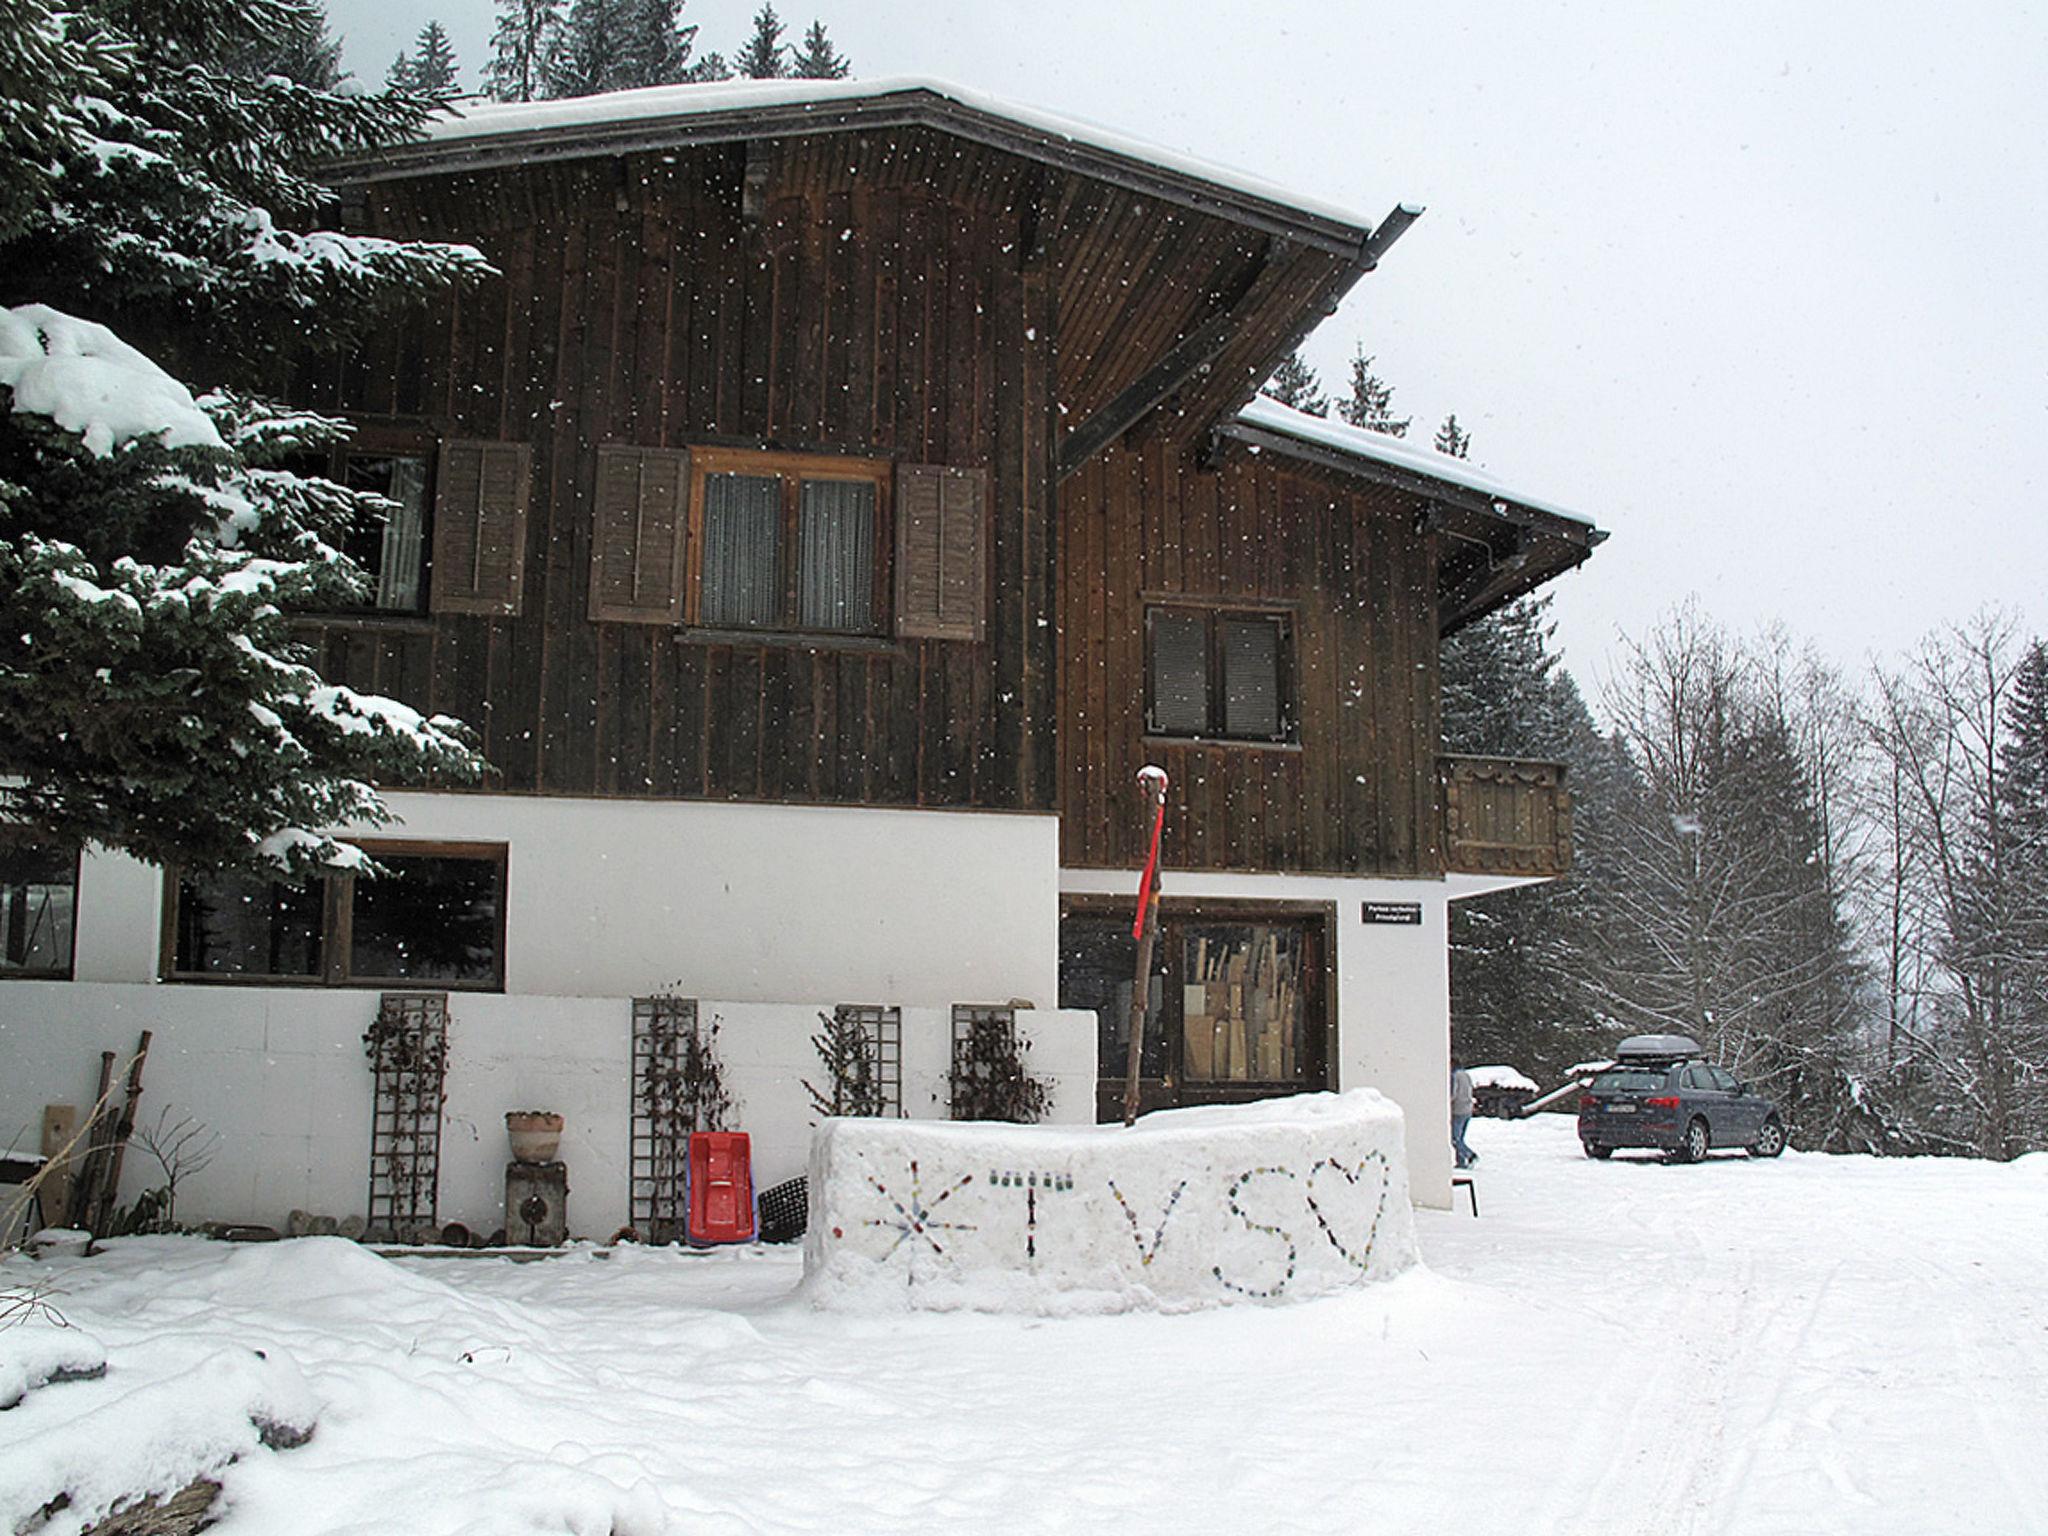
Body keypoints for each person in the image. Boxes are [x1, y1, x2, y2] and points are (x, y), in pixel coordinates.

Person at [1451, 1057, 1477, 1169]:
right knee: (1460, 1137)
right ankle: (1461, 1162)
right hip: (1468, 1109)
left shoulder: (1454, 1076)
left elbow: (1453, 1093)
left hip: (1458, 1109)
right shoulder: (1466, 1075)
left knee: (1454, 1138)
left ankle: (1470, 1155)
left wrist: (1448, 1102)